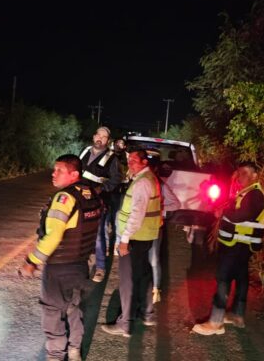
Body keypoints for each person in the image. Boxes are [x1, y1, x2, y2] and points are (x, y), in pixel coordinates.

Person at [19, 154, 102, 361]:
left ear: (74, 174)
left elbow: (53, 235)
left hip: (59, 267)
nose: (53, 174)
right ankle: (74, 350)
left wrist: (32, 261)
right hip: (81, 264)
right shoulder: (90, 193)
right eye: (54, 169)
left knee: (53, 313)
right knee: (74, 309)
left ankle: (55, 355)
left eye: (59, 170)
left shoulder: (63, 198)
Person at [191, 161, 264, 335]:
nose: (240, 176)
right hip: (241, 244)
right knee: (241, 276)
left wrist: (223, 213)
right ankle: (237, 314)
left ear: (255, 176)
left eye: (245, 173)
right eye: (239, 173)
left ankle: (215, 322)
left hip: (239, 244)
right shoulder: (247, 192)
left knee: (223, 278)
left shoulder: (255, 194)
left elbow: (243, 215)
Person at [101, 149, 162, 337]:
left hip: (135, 238)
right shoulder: (149, 178)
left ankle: (125, 324)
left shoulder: (143, 182)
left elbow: (136, 214)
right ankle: (147, 313)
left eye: (134, 161)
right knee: (143, 276)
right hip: (144, 237)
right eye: (129, 160)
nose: (130, 164)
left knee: (128, 281)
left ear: (145, 162)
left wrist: (124, 240)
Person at [79, 127, 123, 282]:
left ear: (108, 141)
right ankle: (80, 264)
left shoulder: (112, 158)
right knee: (79, 231)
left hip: (99, 201)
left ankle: (100, 268)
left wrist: (100, 189)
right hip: (79, 199)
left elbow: (116, 179)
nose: (100, 138)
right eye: (98, 135)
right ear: (94, 136)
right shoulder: (84, 151)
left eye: (104, 137)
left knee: (98, 234)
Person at [147, 151, 181, 304]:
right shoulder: (138, 183)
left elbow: (176, 204)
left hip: (154, 226)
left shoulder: (161, 185)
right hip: (139, 228)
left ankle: (156, 289)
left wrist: (160, 207)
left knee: (154, 259)